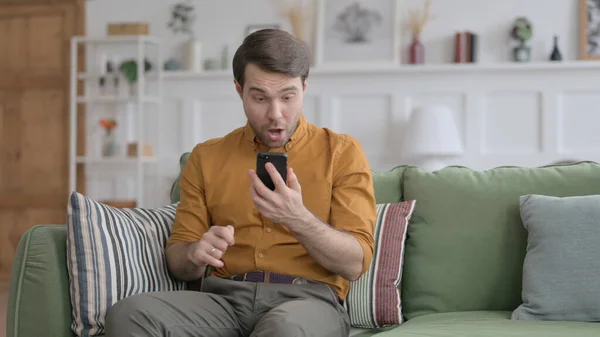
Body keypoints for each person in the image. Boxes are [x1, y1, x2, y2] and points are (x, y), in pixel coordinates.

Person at [105, 28, 376, 337]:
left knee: (283, 329)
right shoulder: (207, 157)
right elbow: (178, 261)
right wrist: (195, 253)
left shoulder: (341, 152)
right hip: (222, 301)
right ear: (239, 90)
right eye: (260, 98)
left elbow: (355, 263)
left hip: (307, 301)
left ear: (304, 87)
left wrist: (297, 218)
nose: (276, 114)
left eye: (288, 97)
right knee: (130, 315)